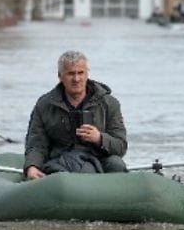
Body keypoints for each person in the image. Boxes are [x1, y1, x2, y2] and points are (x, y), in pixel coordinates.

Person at [23, 50, 128, 180]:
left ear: (87, 74)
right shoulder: (45, 105)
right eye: (71, 74)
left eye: (81, 73)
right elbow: (36, 144)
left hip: (99, 157)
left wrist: (100, 138)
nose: (76, 79)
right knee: (85, 170)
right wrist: (32, 166)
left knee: (117, 165)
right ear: (60, 76)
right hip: (61, 161)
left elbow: (121, 146)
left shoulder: (109, 103)